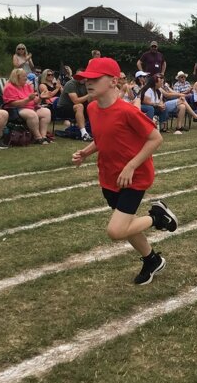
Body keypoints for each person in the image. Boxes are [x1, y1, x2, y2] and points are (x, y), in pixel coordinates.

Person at [70, 57, 177, 285]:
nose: (88, 82)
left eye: (95, 78)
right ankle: (152, 260)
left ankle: (157, 217)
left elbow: (155, 138)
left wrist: (131, 166)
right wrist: (86, 152)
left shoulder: (127, 111)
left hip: (134, 177)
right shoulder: (92, 107)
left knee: (116, 230)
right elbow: (103, 137)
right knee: (126, 224)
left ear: (113, 81)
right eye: (86, 79)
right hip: (109, 176)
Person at [3, 68, 52, 144]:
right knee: (32, 114)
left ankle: (44, 136)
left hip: (30, 107)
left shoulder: (27, 86)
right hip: (16, 110)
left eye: (26, 76)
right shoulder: (9, 87)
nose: (26, 78)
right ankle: (37, 137)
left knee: (46, 112)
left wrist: (41, 97)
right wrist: (28, 99)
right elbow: (13, 104)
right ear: (16, 77)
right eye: (24, 76)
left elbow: (35, 101)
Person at [58, 69, 92, 141]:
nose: (82, 78)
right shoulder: (71, 84)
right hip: (63, 108)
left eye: (84, 77)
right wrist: (89, 94)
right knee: (79, 106)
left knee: (94, 106)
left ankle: (96, 130)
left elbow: (89, 101)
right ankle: (84, 133)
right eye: (79, 76)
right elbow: (75, 101)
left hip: (77, 107)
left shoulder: (86, 84)